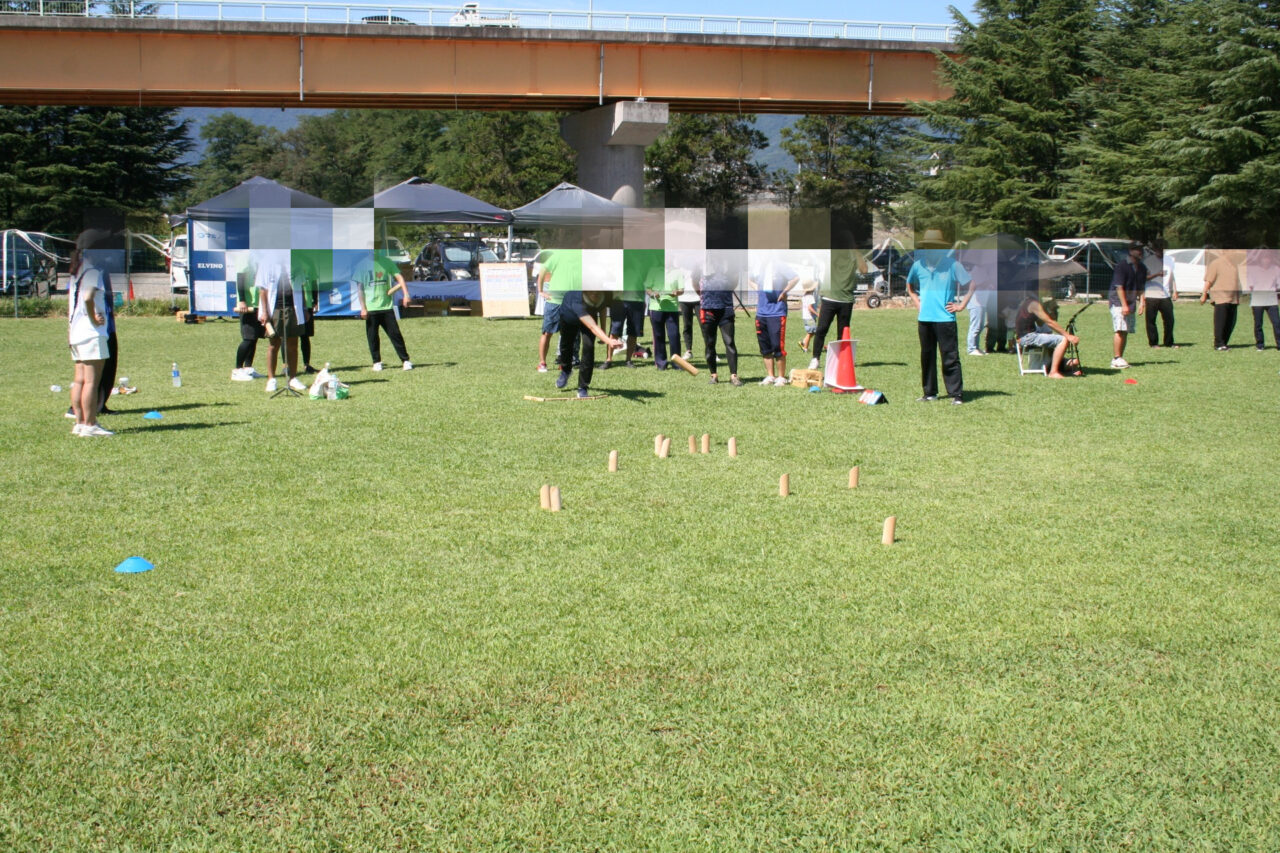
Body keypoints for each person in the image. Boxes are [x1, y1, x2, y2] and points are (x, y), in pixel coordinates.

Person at [906, 229, 970, 404]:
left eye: (934, 247)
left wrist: (961, 305)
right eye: (928, 247)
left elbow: (971, 283)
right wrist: (917, 302)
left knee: (950, 356)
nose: (931, 250)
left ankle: (956, 394)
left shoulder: (952, 265)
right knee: (927, 356)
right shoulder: (918, 265)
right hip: (925, 319)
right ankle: (929, 393)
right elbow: (909, 285)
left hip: (945, 319)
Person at [67, 234, 112, 437]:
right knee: (92, 381)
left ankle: (79, 422)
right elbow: (88, 298)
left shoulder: (77, 271)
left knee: (79, 380)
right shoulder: (94, 271)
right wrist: (94, 318)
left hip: (75, 332)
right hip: (90, 332)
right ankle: (90, 424)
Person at [255, 251, 309, 394]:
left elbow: (301, 286)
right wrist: (265, 312)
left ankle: (293, 378)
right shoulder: (267, 262)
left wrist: (304, 308)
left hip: (294, 307)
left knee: (293, 344)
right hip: (275, 308)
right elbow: (262, 290)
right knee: (274, 344)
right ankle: (271, 379)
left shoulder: (295, 262)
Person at [554, 289, 623, 398]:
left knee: (589, 347)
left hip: (590, 315)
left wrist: (611, 332)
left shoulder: (607, 295)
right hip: (569, 317)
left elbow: (606, 307)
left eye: (597, 290)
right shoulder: (577, 300)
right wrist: (608, 340)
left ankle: (583, 387)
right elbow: (592, 326)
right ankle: (566, 370)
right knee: (566, 345)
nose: (594, 293)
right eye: (590, 291)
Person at [354, 248, 413, 373]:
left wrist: (406, 294)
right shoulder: (361, 266)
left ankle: (405, 360)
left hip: (387, 307)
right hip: (371, 309)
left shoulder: (387, 262)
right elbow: (360, 289)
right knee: (372, 337)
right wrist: (363, 308)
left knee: (395, 334)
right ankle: (376, 362)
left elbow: (400, 279)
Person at [807, 247, 862, 371]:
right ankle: (815, 358)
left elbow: (864, 270)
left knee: (842, 333)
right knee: (821, 329)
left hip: (846, 300)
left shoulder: (853, 255)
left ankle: (840, 360)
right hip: (829, 298)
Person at [696, 255, 743, 387]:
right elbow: (695, 280)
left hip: (725, 308)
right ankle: (714, 375)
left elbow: (734, 281)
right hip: (708, 309)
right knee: (710, 343)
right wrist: (704, 296)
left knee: (729, 342)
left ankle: (734, 376)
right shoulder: (701, 261)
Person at [751, 256, 798, 386]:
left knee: (778, 345)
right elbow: (749, 278)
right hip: (761, 312)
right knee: (765, 347)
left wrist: (785, 292)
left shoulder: (779, 264)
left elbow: (795, 278)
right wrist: (758, 290)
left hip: (777, 312)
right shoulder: (758, 265)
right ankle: (770, 376)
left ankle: (781, 377)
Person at [1014, 291, 1080, 378]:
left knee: (1074, 362)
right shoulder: (1033, 303)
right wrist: (1068, 336)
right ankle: (1053, 372)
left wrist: (1049, 310)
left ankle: (1059, 368)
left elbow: (1041, 323)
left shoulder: (1028, 302)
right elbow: (1049, 322)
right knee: (1063, 339)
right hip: (1028, 337)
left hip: (1026, 336)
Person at [536, 246, 580, 372]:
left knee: (569, 335)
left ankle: (565, 362)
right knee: (547, 332)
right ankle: (542, 363)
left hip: (572, 302)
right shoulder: (556, 256)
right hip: (554, 301)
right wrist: (540, 291)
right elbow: (542, 272)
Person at [1108, 241, 1146, 368]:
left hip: (1130, 302)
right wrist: (1124, 305)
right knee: (1119, 329)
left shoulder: (1142, 268)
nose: (1140, 251)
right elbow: (1119, 287)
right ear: (1130, 251)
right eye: (1136, 249)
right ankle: (1116, 358)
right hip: (1118, 301)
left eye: (1141, 249)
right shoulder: (1122, 266)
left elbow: (1141, 287)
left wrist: (1142, 302)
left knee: (1125, 330)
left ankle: (1120, 358)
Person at [1201, 246, 1242, 351]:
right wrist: (1204, 294)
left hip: (1233, 298)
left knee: (1231, 322)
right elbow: (1209, 280)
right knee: (1221, 321)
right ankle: (1219, 343)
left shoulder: (1234, 264)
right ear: (1225, 251)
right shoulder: (1216, 263)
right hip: (1221, 297)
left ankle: (1224, 342)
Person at [232, 255, 264, 381]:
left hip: (257, 304)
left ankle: (248, 368)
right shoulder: (245, 256)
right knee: (248, 338)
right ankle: (237, 369)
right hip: (247, 304)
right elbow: (240, 278)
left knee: (254, 338)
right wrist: (242, 300)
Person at [647, 257, 682, 370]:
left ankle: (677, 363)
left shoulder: (677, 272)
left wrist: (676, 292)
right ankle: (661, 363)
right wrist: (653, 294)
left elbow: (681, 290)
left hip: (672, 308)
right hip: (656, 308)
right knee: (658, 336)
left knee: (674, 335)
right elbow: (648, 288)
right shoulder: (653, 271)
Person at [1140, 243, 1176, 348]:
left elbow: (1172, 275)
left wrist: (1175, 290)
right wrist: (1156, 275)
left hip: (1165, 295)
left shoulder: (1169, 260)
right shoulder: (1147, 261)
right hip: (1152, 294)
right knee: (1151, 320)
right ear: (1155, 249)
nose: (1160, 252)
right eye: (1158, 249)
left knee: (1170, 320)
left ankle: (1169, 342)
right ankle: (1153, 343)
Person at [1245, 248, 1280, 351]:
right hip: (1258, 300)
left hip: (1271, 300)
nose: (1266, 260)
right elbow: (1250, 286)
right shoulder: (1253, 270)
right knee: (1258, 324)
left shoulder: (1276, 269)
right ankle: (1260, 344)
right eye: (1264, 258)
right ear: (1260, 260)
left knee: (1276, 323)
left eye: (1268, 258)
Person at [798, 281, 818, 354]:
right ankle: (805, 347)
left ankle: (803, 342)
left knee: (812, 332)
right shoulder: (810, 297)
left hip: (805, 317)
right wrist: (817, 314)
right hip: (810, 317)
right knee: (811, 332)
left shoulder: (804, 296)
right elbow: (810, 308)